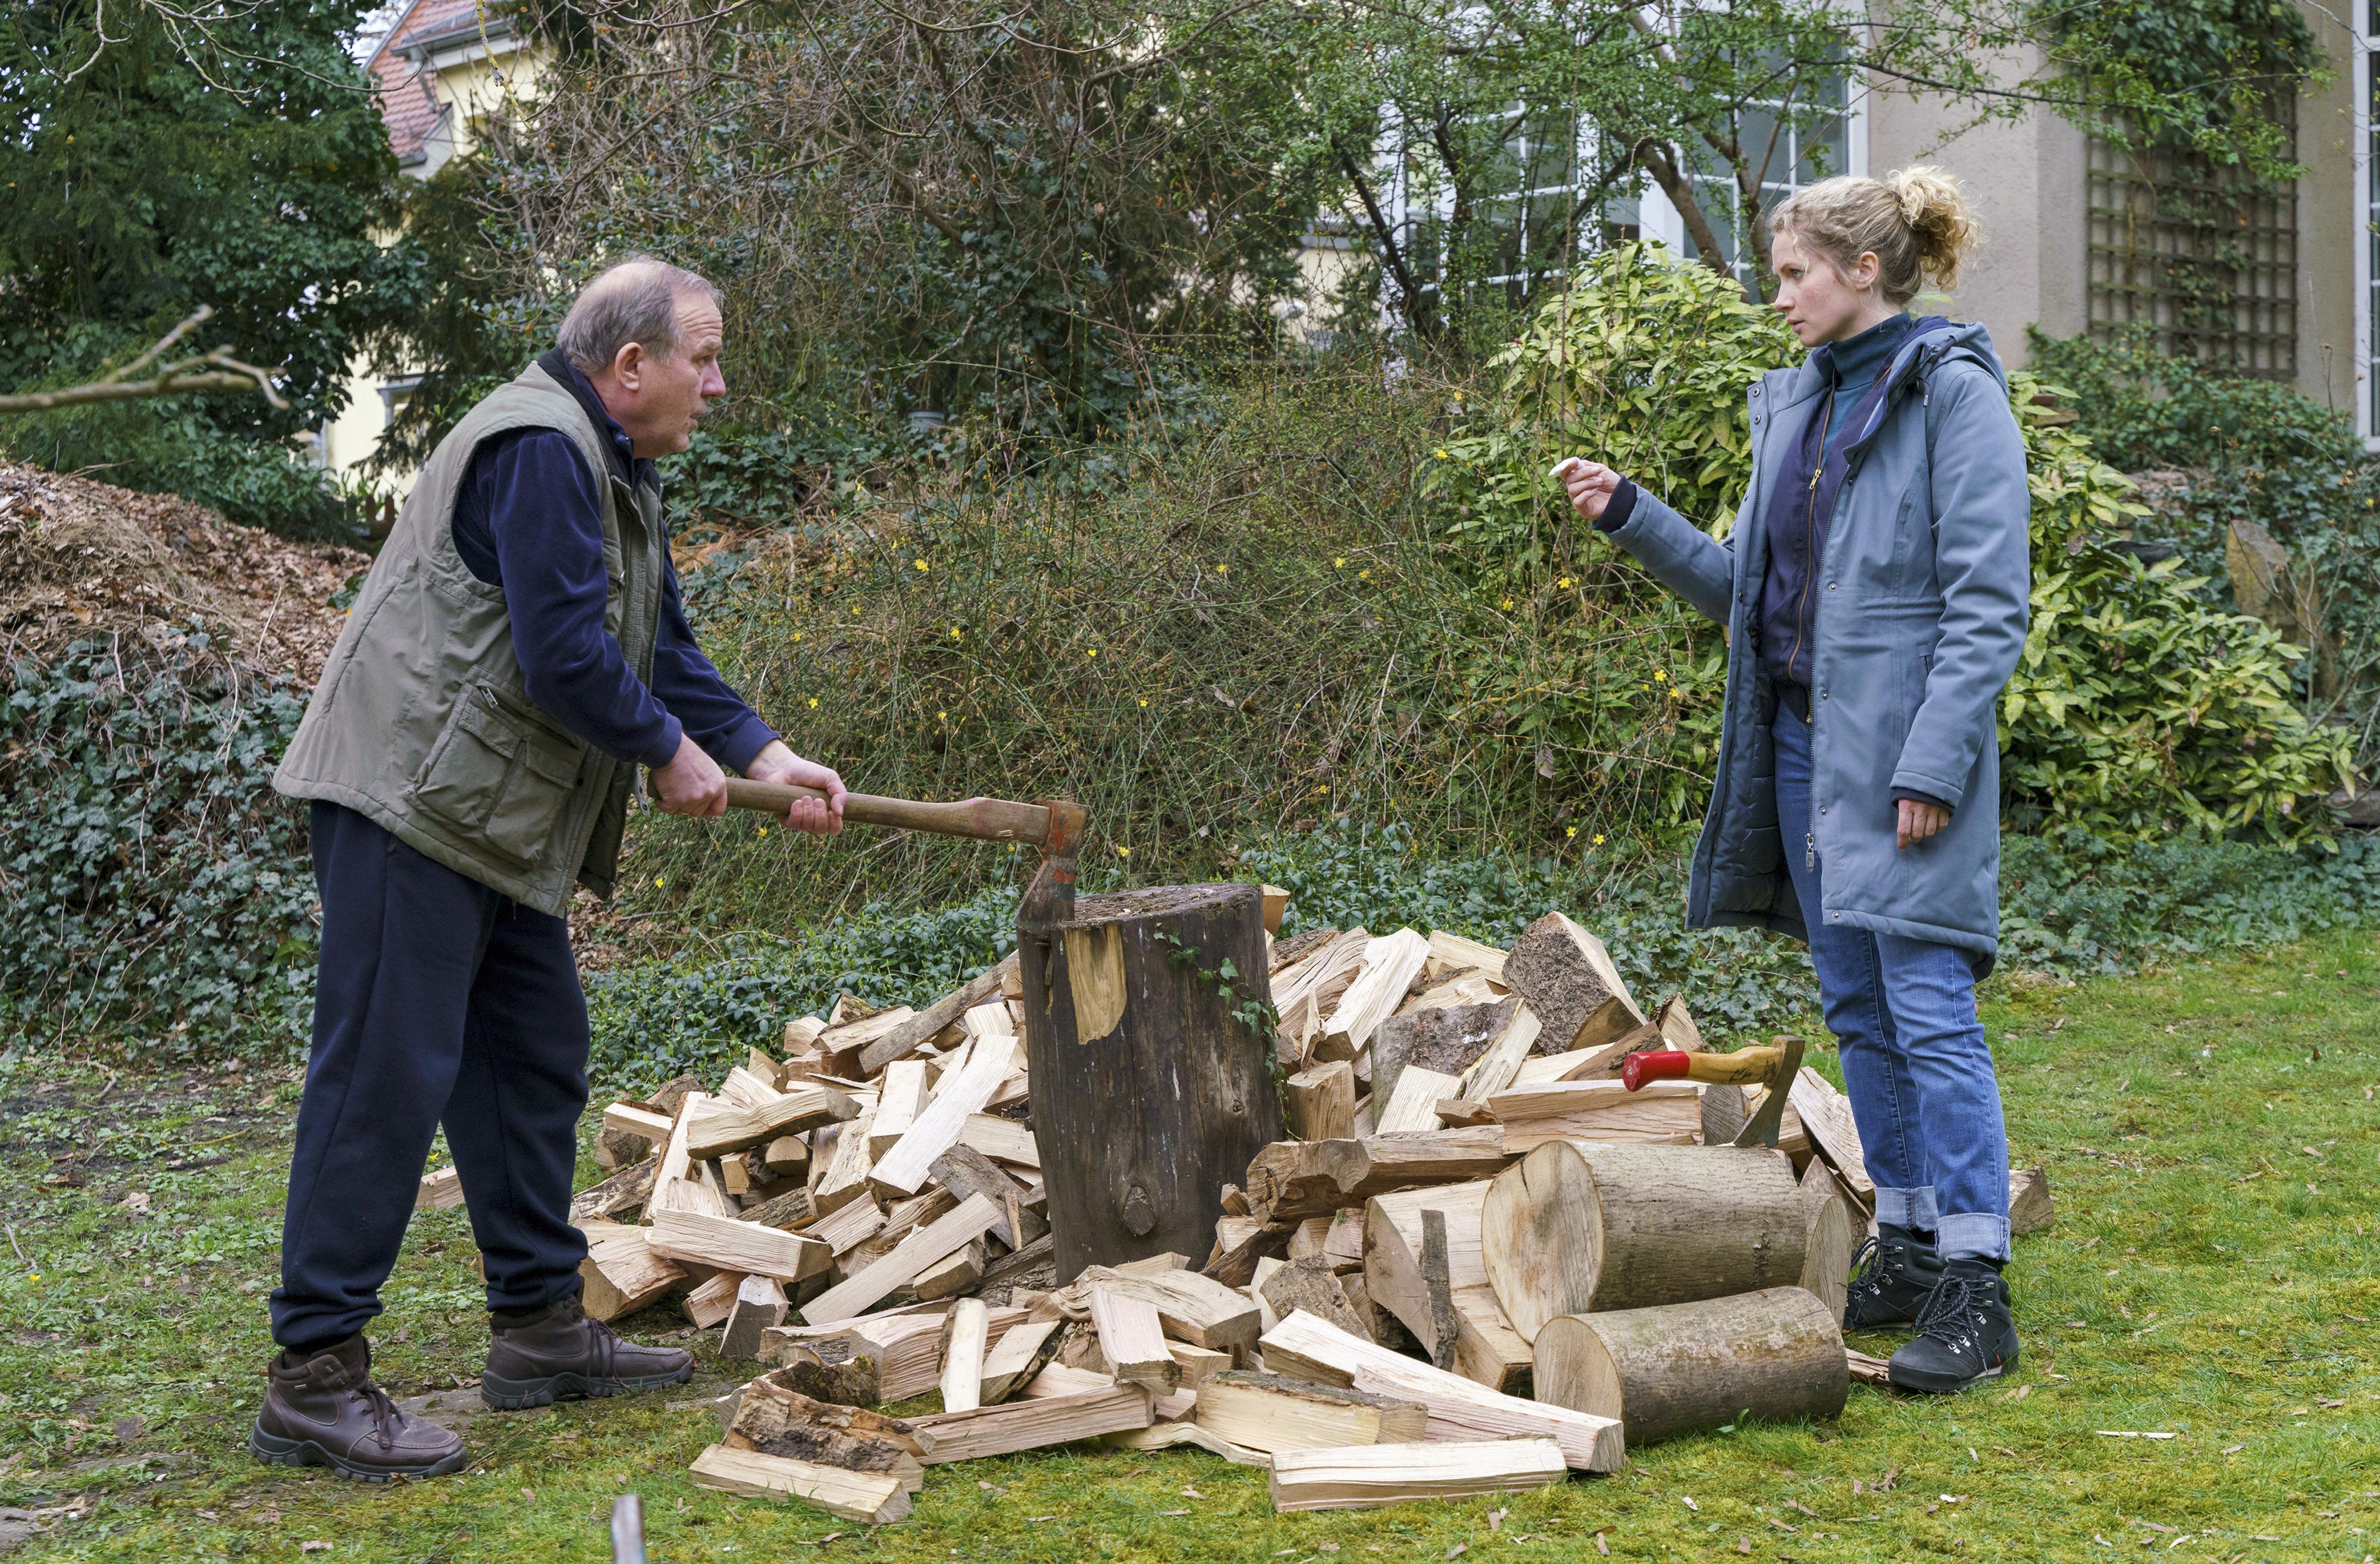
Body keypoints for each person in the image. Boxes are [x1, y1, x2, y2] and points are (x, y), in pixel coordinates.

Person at [259, 258, 850, 1478]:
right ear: (628, 365)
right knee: (384, 1076)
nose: (718, 383)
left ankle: (537, 1333)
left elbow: (657, 644)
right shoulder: (539, 448)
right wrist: (667, 755)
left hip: (485, 814)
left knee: (530, 1059)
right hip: (406, 799)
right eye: (704, 356)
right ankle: (312, 1377)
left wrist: (763, 752)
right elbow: (561, 653)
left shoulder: (612, 470)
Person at [1555, 168, 2030, 1394]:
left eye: (1793, 274)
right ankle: (1914, 1241)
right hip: (1807, 759)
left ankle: (1977, 1289)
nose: (1779, 299)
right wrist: (1631, 516)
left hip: (1904, 766)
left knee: (1927, 1008)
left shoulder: (1955, 398)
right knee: (1861, 1013)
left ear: (1861, 270)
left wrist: (1931, 764)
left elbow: (1985, 609)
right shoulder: (1797, 408)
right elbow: (1749, 600)